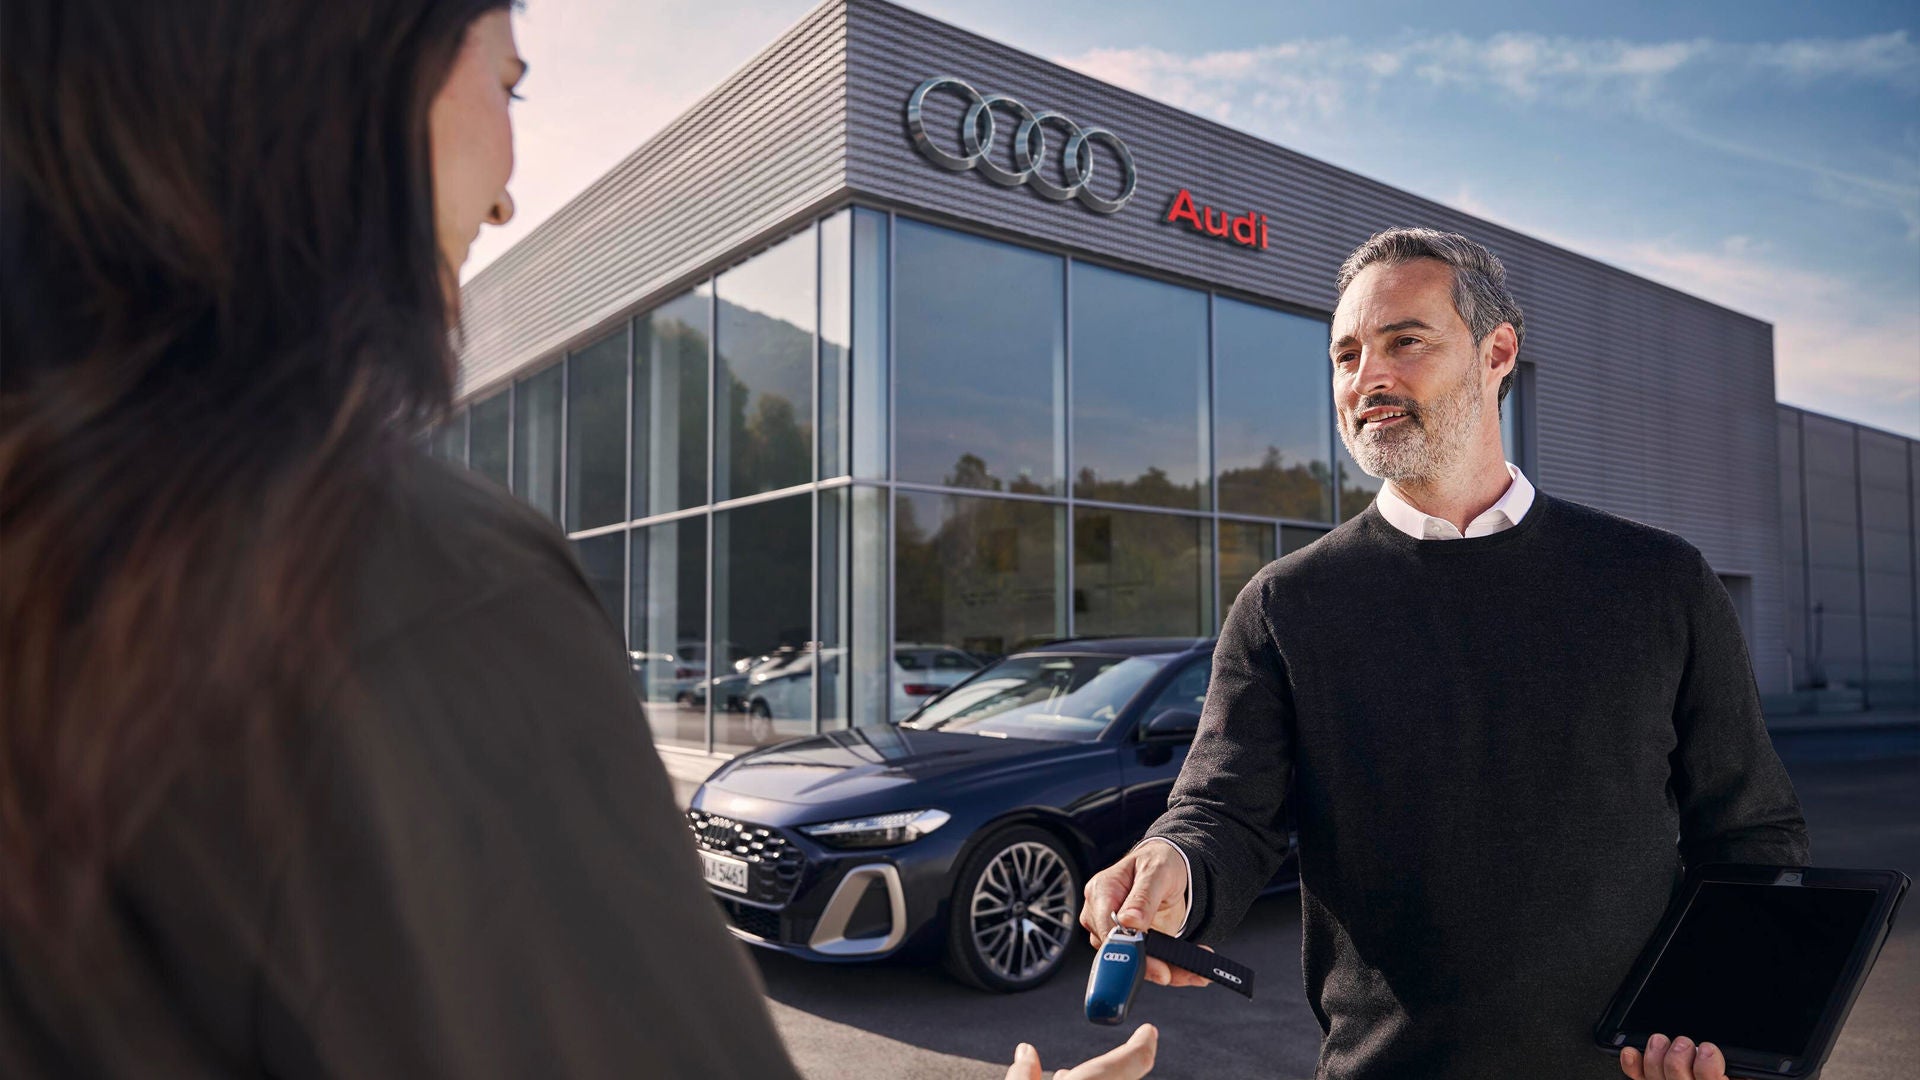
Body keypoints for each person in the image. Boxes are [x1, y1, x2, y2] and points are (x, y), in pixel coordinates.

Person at [0, 3, 1154, 1077]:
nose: (507, 200)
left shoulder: (64, 536)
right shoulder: (422, 584)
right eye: (507, 86)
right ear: (350, 76)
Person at [1078, 228, 1810, 1080]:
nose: (1367, 378)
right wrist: (1174, 867)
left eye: (1405, 341)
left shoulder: (1658, 581)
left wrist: (1722, 1024)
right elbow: (1225, 813)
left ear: (1497, 353)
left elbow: (1750, 833)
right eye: (1346, 355)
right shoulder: (1286, 605)